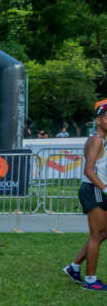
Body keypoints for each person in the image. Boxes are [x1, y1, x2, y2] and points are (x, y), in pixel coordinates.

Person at [62, 103, 107, 290]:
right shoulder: (96, 140)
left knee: (102, 233)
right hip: (94, 189)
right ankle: (90, 281)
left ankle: (74, 267)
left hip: (98, 188)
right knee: (97, 235)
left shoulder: (102, 139)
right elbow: (89, 171)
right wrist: (104, 188)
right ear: (98, 120)